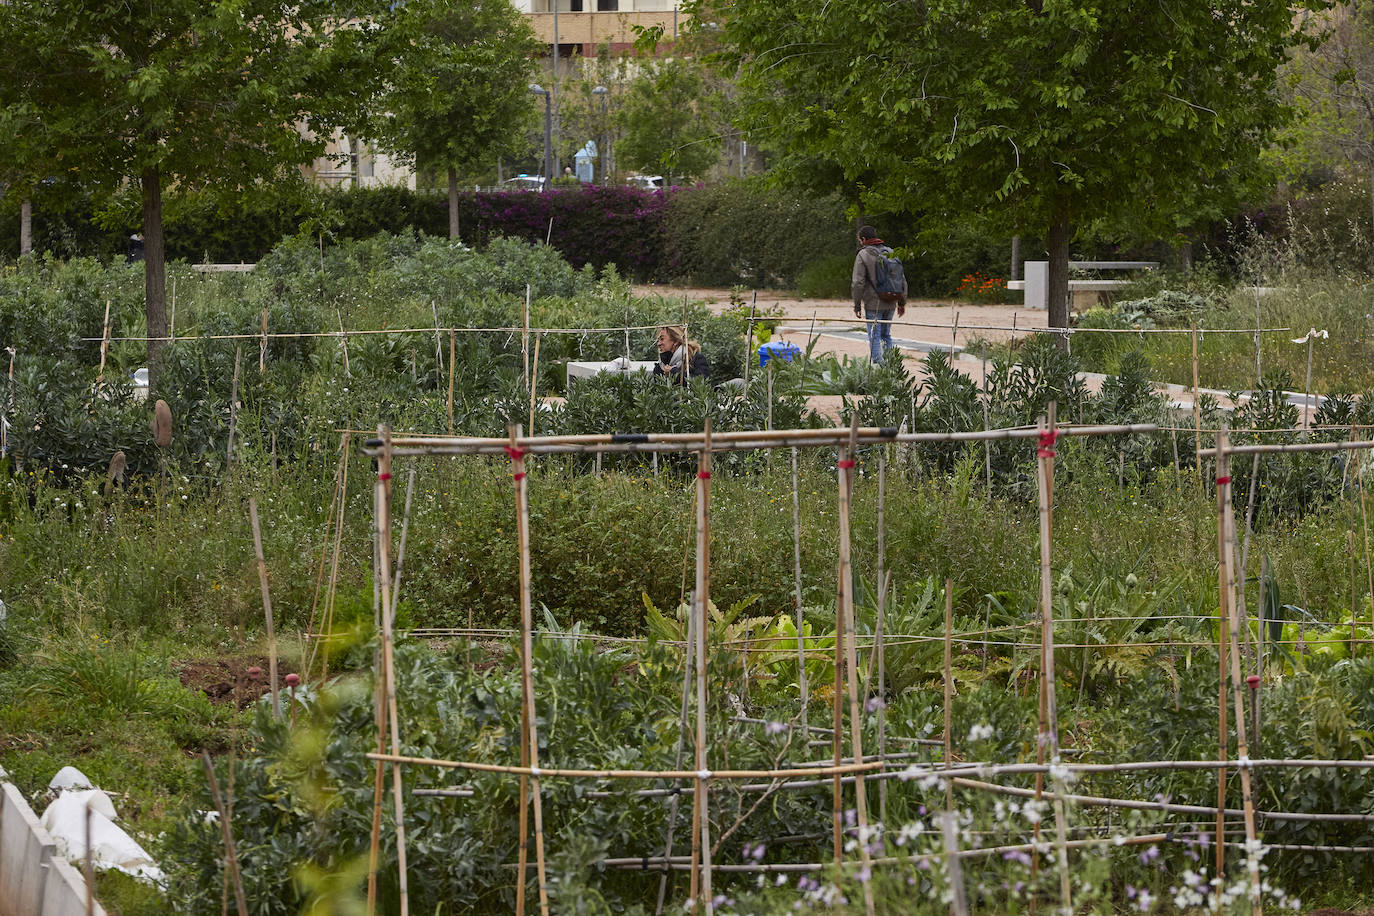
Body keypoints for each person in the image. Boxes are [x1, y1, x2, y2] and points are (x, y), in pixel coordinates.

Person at [852, 226, 907, 363]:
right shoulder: (891, 252)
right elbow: (902, 279)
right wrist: (901, 302)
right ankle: (891, 365)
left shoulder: (863, 255)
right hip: (892, 300)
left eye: (860, 240)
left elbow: (858, 282)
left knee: (874, 335)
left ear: (864, 239)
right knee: (886, 335)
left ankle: (879, 368)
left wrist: (857, 305)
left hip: (873, 302)